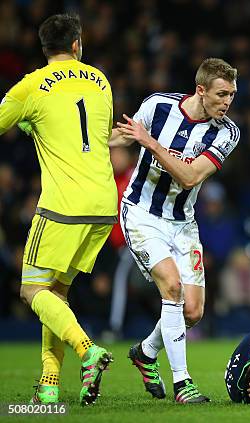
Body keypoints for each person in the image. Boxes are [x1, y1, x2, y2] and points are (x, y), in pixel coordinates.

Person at [0, 14, 116, 405]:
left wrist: (27, 121)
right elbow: (95, 135)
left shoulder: (31, 86)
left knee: (32, 289)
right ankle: (50, 386)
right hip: (103, 203)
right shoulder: (100, 79)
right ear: (78, 44)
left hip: (62, 205)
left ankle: (88, 351)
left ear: (43, 47)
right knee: (57, 293)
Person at [109, 58, 239, 403]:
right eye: (221, 94)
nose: (227, 102)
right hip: (141, 213)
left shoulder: (227, 132)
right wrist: (85, 146)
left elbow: (191, 176)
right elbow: (122, 137)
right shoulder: (158, 105)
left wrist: (150, 144)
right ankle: (183, 384)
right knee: (172, 286)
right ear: (201, 90)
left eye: (231, 95)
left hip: (183, 223)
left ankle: (146, 353)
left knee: (193, 312)